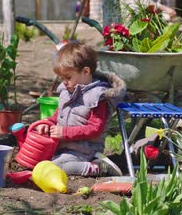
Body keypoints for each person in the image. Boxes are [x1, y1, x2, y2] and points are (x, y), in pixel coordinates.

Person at [33, 43, 126, 176]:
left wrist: (65, 133)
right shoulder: (67, 91)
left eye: (68, 77)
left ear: (86, 71)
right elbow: (59, 115)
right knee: (39, 162)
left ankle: (98, 168)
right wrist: (47, 123)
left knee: (57, 168)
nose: (64, 82)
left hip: (85, 149)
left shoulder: (97, 97)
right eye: (62, 78)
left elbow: (95, 129)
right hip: (65, 147)